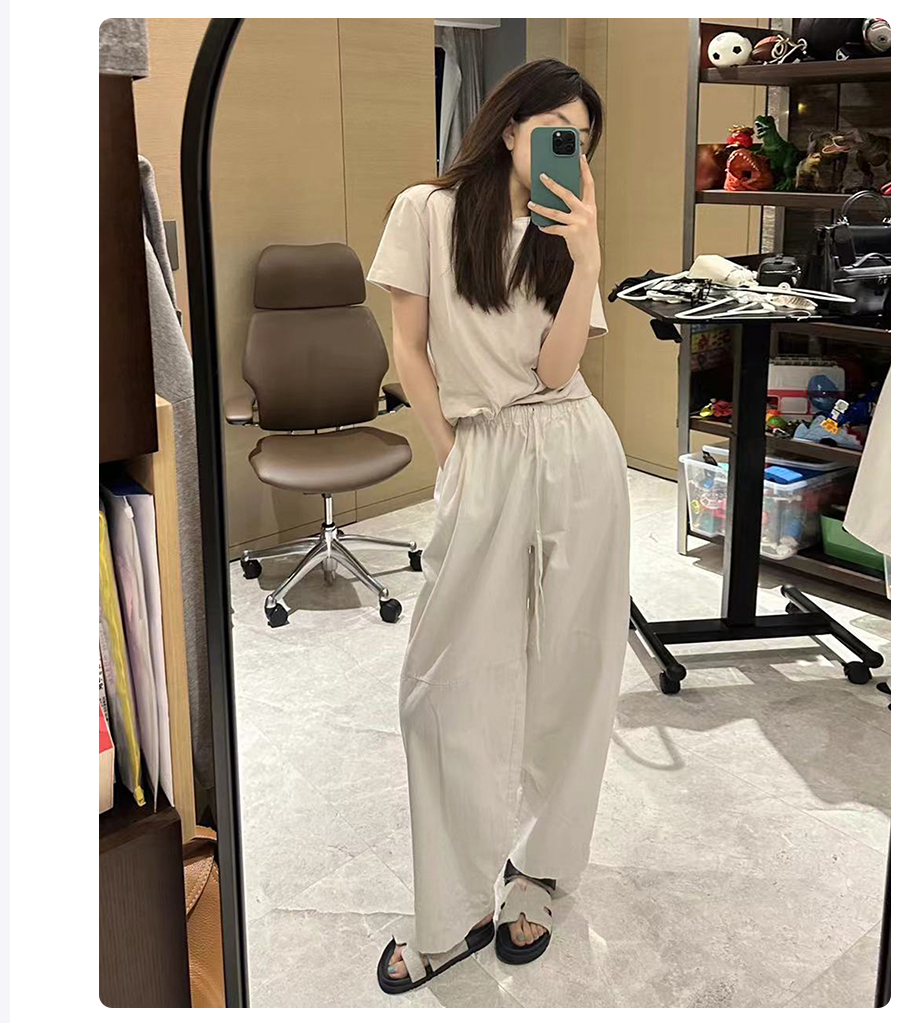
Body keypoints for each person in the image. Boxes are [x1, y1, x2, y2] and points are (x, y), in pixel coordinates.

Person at [365, 58, 631, 994]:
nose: (569, 149)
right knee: (443, 685)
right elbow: (408, 345)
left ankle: (540, 874)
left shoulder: (568, 231)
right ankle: (450, 909)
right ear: (510, 125)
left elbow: (557, 371)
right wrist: (451, 453)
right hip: (483, 449)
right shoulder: (426, 211)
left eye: (582, 141)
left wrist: (588, 257)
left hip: (576, 448)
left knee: (572, 672)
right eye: (556, 129)